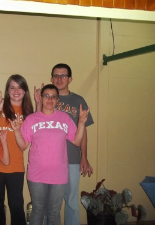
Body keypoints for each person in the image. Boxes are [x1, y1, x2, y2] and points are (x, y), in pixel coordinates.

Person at [10, 84, 89, 225]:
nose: (50, 99)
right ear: (41, 97)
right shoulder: (32, 119)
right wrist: (16, 131)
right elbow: (23, 146)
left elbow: (77, 141)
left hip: (59, 174)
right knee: (38, 210)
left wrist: (81, 123)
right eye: (46, 96)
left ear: (57, 100)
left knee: (54, 212)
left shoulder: (64, 118)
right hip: (37, 174)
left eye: (53, 97)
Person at [36, 64, 94, 225]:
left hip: (72, 160)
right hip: (50, 162)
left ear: (70, 79)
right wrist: (38, 101)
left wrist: (84, 157)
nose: (59, 79)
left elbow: (83, 131)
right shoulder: (46, 99)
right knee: (50, 206)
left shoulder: (78, 101)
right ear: (51, 78)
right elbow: (36, 123)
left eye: (63, 76)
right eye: (56, 75)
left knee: (71, 202)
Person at [0, 74, 33, 225]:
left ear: (25, 91)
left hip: (16, 166)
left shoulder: (28, 112)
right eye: (12, 87)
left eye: (20, 87)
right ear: (7, 91)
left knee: (16, 205)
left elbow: (24, 145)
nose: (16, 90)